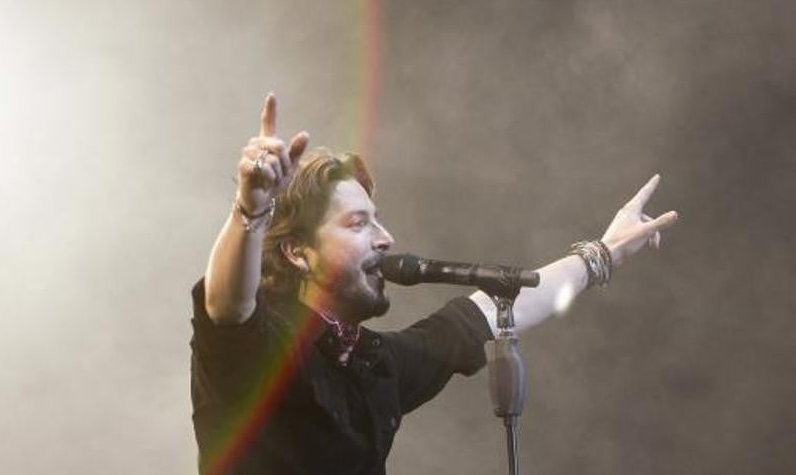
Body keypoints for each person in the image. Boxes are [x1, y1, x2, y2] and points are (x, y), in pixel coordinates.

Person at [190, 94, 678, 475]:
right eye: (358, 224)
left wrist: (604, 254)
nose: (386, 239)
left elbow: (491, 311)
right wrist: (251, 211)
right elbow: (227, 307)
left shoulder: (378, 367)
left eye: (378, 222)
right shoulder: (260, 352)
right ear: (298, 252)